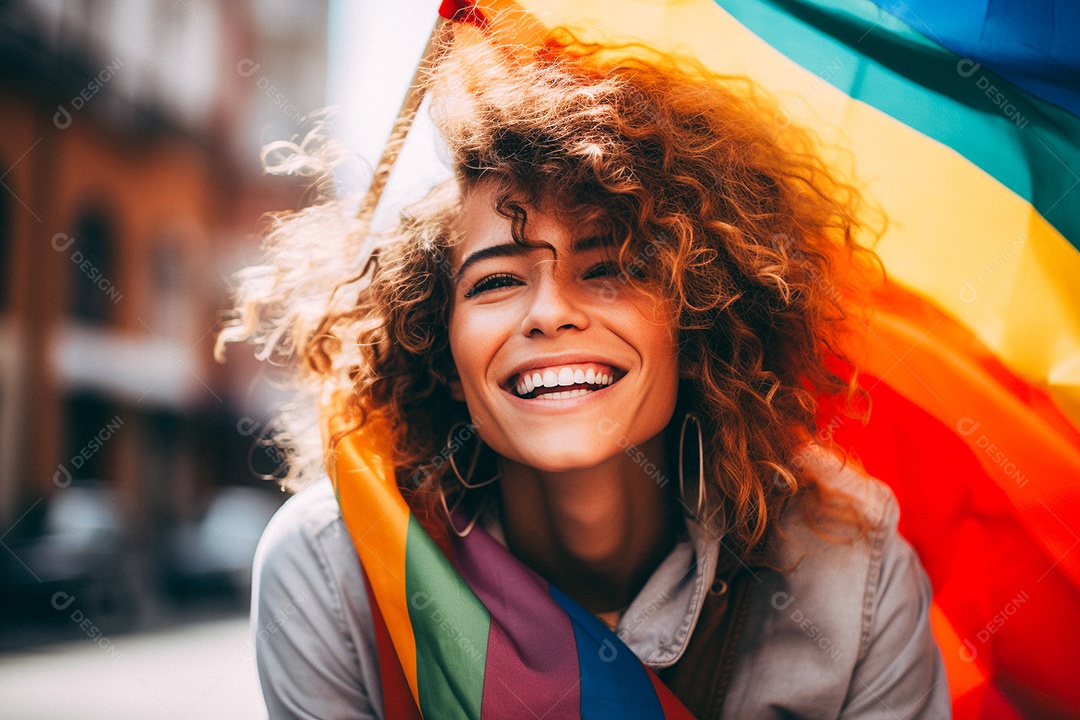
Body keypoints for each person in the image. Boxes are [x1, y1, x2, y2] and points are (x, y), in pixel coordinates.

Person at [219, 25, 950, 720]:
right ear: (440, 353)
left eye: (610, 268)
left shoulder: (853, 570)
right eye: (496, 282)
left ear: (694, 322)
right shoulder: (335, 568)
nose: (549, 312)